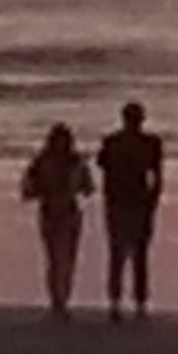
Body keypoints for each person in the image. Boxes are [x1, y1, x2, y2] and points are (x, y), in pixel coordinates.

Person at [95, 100, 165, 320]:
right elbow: (157, 176)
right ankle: (131, 303)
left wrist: (152, 200)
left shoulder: (116, 142)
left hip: (129, 202)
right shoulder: (145, 143)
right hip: (130, 202)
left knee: (125, 255)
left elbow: (156, 175)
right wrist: (153, 199)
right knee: (132, 255)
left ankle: (125, 303)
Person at [19, 123, 93, 319]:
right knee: (55, 258)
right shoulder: (42, 162)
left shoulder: (75, 162)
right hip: (51, 212)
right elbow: (27, 190)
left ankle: (63, 299)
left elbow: (88, 188)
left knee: (68, 258)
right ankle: (57, 301)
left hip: (69, 211)